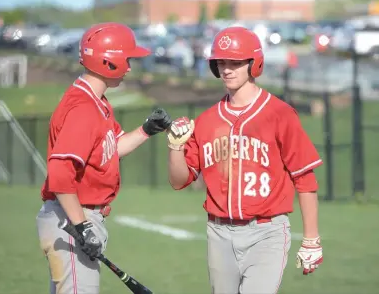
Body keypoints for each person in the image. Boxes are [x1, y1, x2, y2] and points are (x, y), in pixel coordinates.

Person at [166, 27, 324, 294]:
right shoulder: (207, 120)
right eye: (221, 63)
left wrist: (311, 238)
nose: (227, 69)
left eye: (235, 62)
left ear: (254, 63)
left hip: (267, 232)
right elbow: (179, 181)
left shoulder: (279, 114)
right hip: (219, 232)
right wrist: (175, 148)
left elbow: (304, 177)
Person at [36, 22, 172, 294]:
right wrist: (82, 226)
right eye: (127, 59)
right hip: (71, 221)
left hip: (75, 219)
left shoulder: (97, 102)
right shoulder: (84, 108)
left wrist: (146, 130)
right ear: (109, 61)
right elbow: (60, 173)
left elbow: (112, 149)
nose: (130, 67)